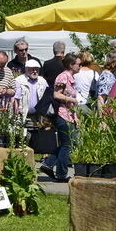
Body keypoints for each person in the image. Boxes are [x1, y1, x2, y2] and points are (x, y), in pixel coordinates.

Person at [41, 53, 81, 182]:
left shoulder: (71, 78)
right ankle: (61, 174)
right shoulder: (63, 77)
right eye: (78, 64)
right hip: (62, 114)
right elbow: (56, 95)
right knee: (67, 145)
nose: (80, 67)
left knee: (68, 143)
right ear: (71, 65)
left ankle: (48, 164)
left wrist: (76, 117)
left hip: (69, 115)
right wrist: (70, 99)